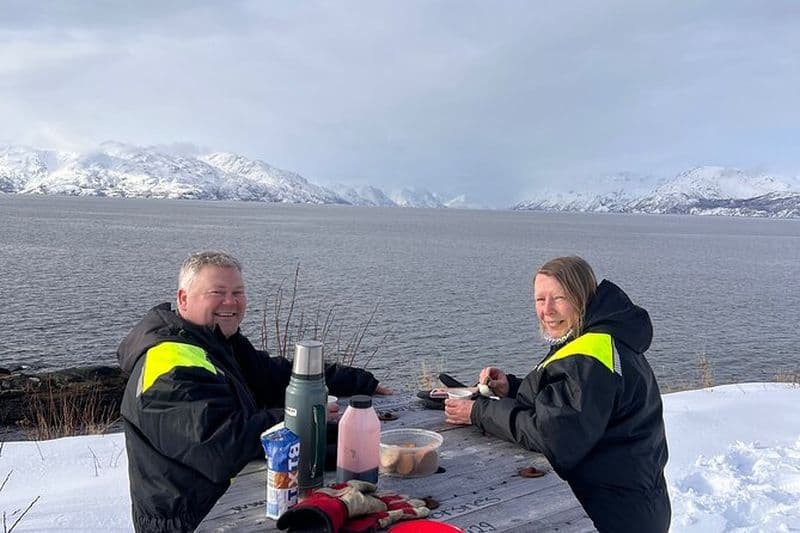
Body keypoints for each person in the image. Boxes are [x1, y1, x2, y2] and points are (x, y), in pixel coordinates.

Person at [118, 250, 392, 533]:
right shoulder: (168, 366)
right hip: (191, 518)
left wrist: (360, 382)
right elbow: (223, 444)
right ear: (183, 299)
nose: (231, 302)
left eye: (238, 292)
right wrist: (310, 418)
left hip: (233, 494)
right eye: (217, 292)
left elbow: (277, 374)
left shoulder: (216, 342)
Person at [445, 256, 670, 533]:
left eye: (559, 298)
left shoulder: (590, 357)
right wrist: (511, 388)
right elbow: (572, 401)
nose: (547, 310)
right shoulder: (599, 335)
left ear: (582, 298)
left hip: (611, 515)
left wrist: (479, 412)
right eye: (540, 300)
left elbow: (553, 435)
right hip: (636, 503)